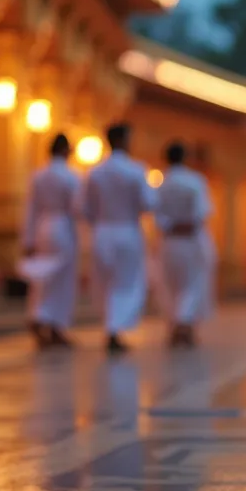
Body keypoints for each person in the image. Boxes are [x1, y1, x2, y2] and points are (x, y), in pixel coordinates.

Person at [80, 123, 157, 353]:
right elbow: (148, 203)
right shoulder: (135, 170)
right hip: (127, 231)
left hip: (102, 232)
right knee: (126, 282)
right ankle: (114, 328)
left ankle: (111, 326)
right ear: (124, 140)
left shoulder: (95, 172)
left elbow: (84, 208)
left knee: (105, 281)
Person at [21, 133, 80, 348]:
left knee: (42, 276)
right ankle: (54, 325)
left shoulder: (39, 175)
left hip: (42, 227)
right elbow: (76, 207)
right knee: (62, 279)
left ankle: (39, 314)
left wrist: (28, 240)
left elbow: (31, 209)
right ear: (65, 150)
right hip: (63, 228)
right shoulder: (71, 176)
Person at [154, 141, 215, 347]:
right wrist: (187, 225)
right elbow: (201, 212)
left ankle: (177, 323)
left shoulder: (161, 184)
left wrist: (172, 225)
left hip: (169, 241)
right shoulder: (195, 181)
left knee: (172, 284)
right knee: (193, 283)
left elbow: (157, 215)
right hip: (191, 240)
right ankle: (183, 322)